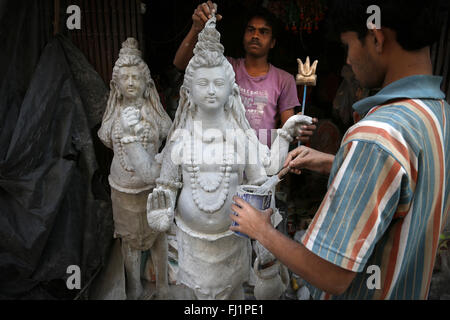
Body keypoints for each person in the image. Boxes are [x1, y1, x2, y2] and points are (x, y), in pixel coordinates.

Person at [230, 0, 449, 299]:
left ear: (376, 37)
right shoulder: (439, 115)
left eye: (347, 46)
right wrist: (335, 162)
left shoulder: (375, 138)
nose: (347, 61)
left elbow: (331, 275)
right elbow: (404, 185)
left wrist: (262, 231)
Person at [146, 16, 311, 300]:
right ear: (188, 93)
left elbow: (263, 183)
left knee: (234, 295)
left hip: (231, 245)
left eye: (218, 83)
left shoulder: (242, 139)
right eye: (203, 83)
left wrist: (283, 137)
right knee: (193, 297)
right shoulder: (181, 139)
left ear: (230, 91)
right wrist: (161, 213)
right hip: (191, 244)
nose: (211, 90)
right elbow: (167, 186)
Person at [173, 1, 317, 148]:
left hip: (262, 164)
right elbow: (181, 64)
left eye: (263, 31)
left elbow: (288, 129)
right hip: (225, 161)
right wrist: (196, 28)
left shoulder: (284, 79)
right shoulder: (225, 67)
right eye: (251, 29)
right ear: (243, 36)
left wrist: (297, 130)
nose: (255, 35)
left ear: (272, 42)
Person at [98, 38, 172, 299]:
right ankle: (135, 288)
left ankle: (163, 286)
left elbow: (168, 129)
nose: (130, 82)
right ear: (116, 84)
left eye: (135, 77)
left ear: (146, 83)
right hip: (123, 186)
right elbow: (104, 135)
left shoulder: (152, 109)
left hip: (152, 184)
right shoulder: (115, 111)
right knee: (129, 239)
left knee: (158, 233)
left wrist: (147, 127)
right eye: (125, 77)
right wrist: (122, 126)